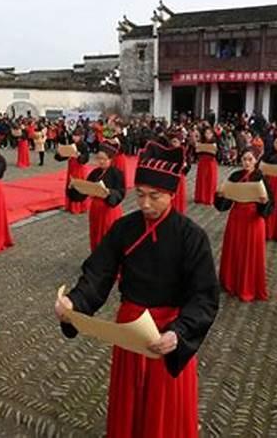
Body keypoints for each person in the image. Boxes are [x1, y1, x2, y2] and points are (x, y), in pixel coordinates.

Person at [54, 140, 219, 438]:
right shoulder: (124, 228)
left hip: (169, 329)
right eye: (140, 194)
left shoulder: (191, 236)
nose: (144, 204)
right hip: (130, 326)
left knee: (164, 405)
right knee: (129, 394)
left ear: (171, 193)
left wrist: (179, 333)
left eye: (154, 196)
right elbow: (98, 273)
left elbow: (204, 297)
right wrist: (74, 303)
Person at [214, 148, 274, 301]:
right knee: (234, 249)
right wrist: (220, 196)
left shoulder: (261, 178)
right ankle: (230, 282)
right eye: (244, 159)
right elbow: (224, 204)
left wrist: (264, 203)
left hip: (254, 219)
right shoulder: (235, 176)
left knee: (250, 252)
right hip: (236, 217)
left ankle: (248, 286)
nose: (247, 162)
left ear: (255, 161)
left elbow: (271, 204)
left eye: (250, 159)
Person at [67, 141, 125, 251]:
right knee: (95, 234)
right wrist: (74, 187)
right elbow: (85, 191)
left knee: (109, 236)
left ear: (110, 159)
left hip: (109, 209)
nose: (101, 161)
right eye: (98, 158)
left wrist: (108, 192)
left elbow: (121, 192)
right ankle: (96, 260)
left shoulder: (117, 173)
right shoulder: (95, 173)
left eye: (104, 159)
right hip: (95, 209)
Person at [55, 128, 90, 214]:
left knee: (78, 187)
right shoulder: (72, 144)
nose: (74, 137)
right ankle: (69, 206)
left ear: (81, 136)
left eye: (77, 136)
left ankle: (78, 207)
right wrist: (60, 153)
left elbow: (86, 159)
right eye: (74, 135)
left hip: (80, 169)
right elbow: (63, 157)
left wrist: (79, 156)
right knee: (70, 186)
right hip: (71, 168)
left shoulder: (84, 145)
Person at [194, 128, 220, 205]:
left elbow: (217, 153)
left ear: (212, 134)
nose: (208, 135)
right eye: (206, 133)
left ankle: (209, 198)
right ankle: (200, 197)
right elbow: (197, 152)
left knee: (210, 180)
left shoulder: (215, 141)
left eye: (209, 133)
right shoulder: (201, 141)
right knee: (201, 179)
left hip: (211, 162)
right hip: (202, 162)